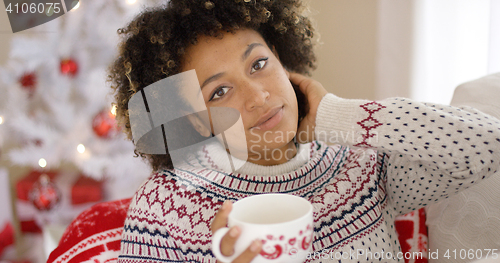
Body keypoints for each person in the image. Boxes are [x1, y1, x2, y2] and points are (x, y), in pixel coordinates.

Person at [107, 0, 500, 262]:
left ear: (282, 60)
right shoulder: (166, 206)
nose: (257, 96)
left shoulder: (360, 166)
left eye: (258, 64)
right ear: (194, 118)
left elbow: (490, 145)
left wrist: (335, 114)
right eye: (220, 91)